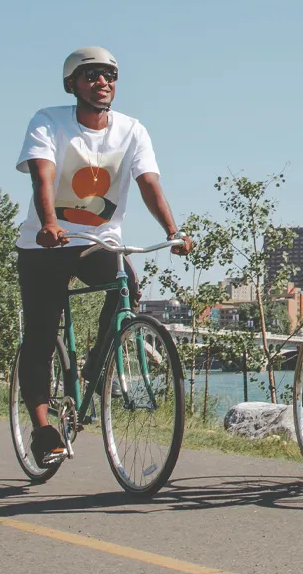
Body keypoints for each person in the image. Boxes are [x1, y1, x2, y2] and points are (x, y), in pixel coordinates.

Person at [14, 47, 189, 467]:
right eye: (91, 75)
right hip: (46, 243)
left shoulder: (132, 131)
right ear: (71, 84)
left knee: (126, 286)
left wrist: (173, 231)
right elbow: (44, 175)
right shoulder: (49, 121)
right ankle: (43, 430)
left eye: (109, 75)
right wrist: (50, 221)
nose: (102, 82)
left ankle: (96, 365)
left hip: (99, 242)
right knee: (39, 335)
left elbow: (149, 184)